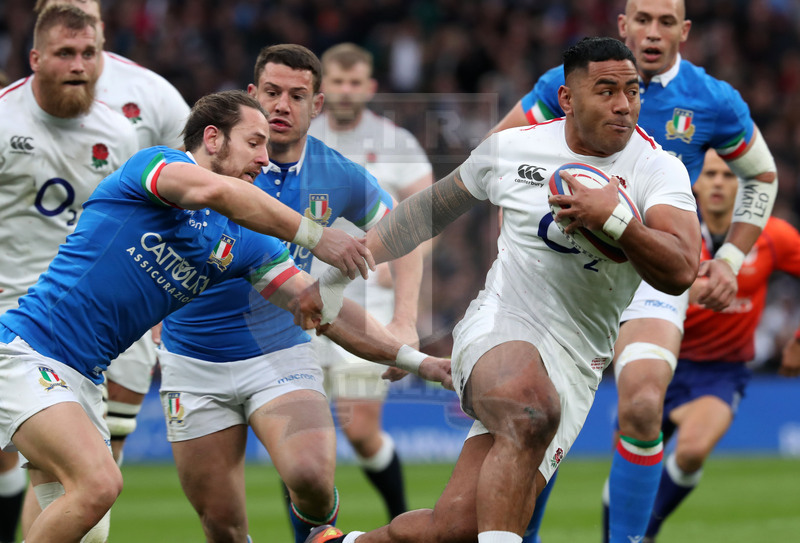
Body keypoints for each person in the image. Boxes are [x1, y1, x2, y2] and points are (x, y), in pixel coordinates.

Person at [302, 36, 701, 543]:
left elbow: (682, 267)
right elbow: (424, 213)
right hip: (502, 323)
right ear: (568, 98)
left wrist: (618, 220)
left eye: (632, 91)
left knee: (455, 528)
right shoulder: (512, 149)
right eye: (606, 91)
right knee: (531, 409)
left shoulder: (656, 168)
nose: (624, 105)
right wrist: (336, 276)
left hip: (579, 361)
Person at [0, 89, 380, 543]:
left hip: (83, 377)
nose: (266, 157)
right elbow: (215, 189)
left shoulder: (241, 238)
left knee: (88, 531)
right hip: (26, 351)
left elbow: (312, 302)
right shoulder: (155, 167)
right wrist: (317, 236)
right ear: (213, 138)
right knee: (99, 484)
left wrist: (418, 361)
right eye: (254, 142)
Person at [491, 2, 779, 541]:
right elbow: (498, 155)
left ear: (684, 32)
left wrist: (731, 258)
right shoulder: (567, 80)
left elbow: (761, 176)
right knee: (539, 415)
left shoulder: (713, 100)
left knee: (644, 402)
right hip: (565, 274)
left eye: (666, 22)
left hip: (649, 274)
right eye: (642, 19)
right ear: (622, 26)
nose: (653, 32)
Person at [155, 44, 428, 543]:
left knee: (311, 479)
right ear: (252, 96)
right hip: (193, 359)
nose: (282, 105)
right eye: (272, 93)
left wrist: (405, 320)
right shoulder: (203, 164)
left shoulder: (336, 172)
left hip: (281, 350)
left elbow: (406, 232)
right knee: (222, 525)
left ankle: (319, 532)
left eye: (297, 96)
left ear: (316, 106)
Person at [0, 5, 139, 542]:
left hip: (74, 336)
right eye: (64, 53)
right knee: (89, 484)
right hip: (11, 322)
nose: (79, 65)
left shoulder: (120, 136)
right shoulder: (5, 120)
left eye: (89, 54)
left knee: (84, 515)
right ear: (35, 59)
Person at [33, 0, 193, 465]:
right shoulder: (16, 113)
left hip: (122, 296)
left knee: (102, 455)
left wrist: (167, 287)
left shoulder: (148, 95)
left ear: (101, 26)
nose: (77, 60)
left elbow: (196, 173)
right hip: (32, 293)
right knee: (50, 457)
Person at [642, 150, 800, 542]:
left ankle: (646, 532)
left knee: (692, 451)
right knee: (630, 467)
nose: (717, 183)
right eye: (710, 174)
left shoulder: (772, 236)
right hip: (658, 361)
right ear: (694, 182)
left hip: (721, 370)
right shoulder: (665, 228)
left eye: (728, 176)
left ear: (744, 186)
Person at [307, 42, 434, 521]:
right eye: (336, 81)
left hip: (368, 302)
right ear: (323, 88)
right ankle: (315, 534)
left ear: (370, 87)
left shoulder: (396, 142)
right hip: (297, 296)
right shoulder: (299, 137)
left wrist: (398, 274)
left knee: (360, 431)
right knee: (301, 433)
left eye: (354, 82)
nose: (345, 90)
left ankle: (399, 517)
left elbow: (425, 218)